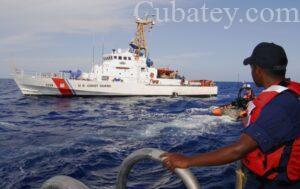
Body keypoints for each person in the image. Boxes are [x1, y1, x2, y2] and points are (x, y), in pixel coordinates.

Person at [161, 42, 300, 189]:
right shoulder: (288, 95)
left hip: (275, 184)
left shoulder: (281, 105)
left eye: (252, 68)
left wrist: (187, 160)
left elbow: (237, 150)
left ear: (258, 70)